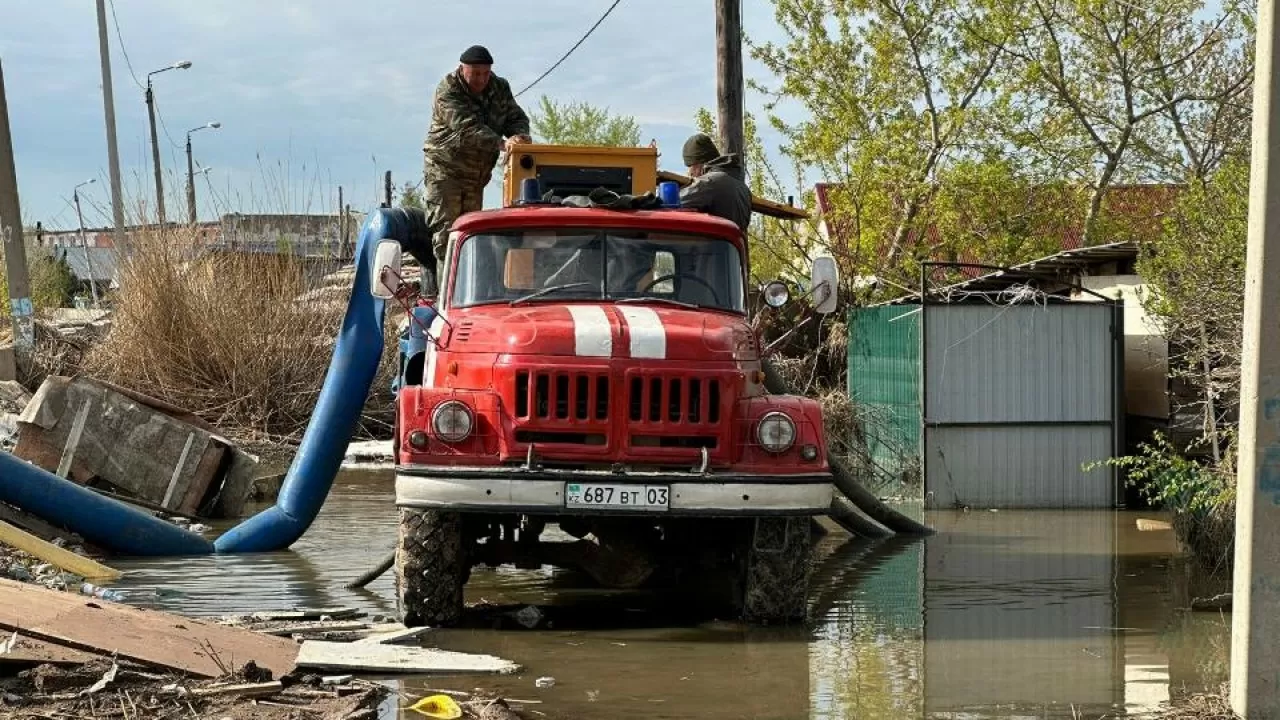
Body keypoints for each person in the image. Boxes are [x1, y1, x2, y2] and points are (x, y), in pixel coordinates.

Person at [421, 45, 531, 266]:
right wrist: (501, 143)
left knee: (470, 238)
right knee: (447, 240)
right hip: (445, 173)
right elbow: (466, 127)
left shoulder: (499, 87)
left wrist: (520, 136)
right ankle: (446, 298)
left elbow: (516, 117)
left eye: (486, 73)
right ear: (463, 69)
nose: (481, 79)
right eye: (476, 73)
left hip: (476, 178)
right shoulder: (448, 89)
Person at [678, 133, 752, 232]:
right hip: (733, 245)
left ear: (698, 165)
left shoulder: (709, 183)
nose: (690, 173)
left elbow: (673, 202)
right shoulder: (743, 189)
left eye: (690, 167)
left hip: (712, 244)